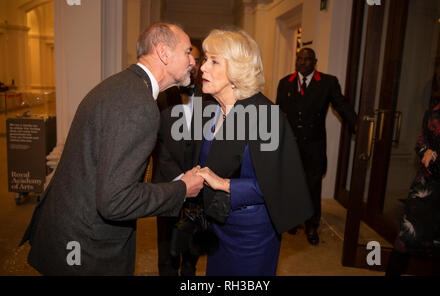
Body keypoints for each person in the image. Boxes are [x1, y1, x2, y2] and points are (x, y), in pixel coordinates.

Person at [19, 22, 204, 275]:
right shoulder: (139, 106)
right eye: (187, 52)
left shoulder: (121, 85)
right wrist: (182, 188)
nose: (192, 61)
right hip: (87, 248)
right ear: (163, 52)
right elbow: (116, 201)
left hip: (68, 231)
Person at [193, 28, 313, 276]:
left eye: (214, 61)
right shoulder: (209, 109)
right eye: (205, 59)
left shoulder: (265, 116)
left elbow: (280, 185)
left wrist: (224, 184)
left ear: (237, 70)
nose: (203, 67)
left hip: (250, 233)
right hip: (217, 222)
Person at [276, 48, 357, 245]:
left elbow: (341, 105)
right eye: (299, 58)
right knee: (291, 183)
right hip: (291, 144)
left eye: (307, 59)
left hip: (314, 144)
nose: (302, 62)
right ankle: (293, 219)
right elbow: (277, 113)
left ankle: (312, 224)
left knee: (312, 185)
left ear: (315, 62)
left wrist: (357, 124)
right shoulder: (285, 82)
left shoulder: (328, 82)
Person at [386, 57, 440, 276]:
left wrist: (439, 156)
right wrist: (427, 153)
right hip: (426, 188)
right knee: (405, 240)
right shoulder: (435, 108)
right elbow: (421, 141)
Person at [152, 45, 203, 276]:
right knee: (167, 244)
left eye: (196, 60)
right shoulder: (161, 93)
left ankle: (189, 273)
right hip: (167, 179)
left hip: (200, 178)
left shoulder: (211, 93)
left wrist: (196, 175)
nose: (192, 63)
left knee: (193, 241)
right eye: (187, 57)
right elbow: (156, 142)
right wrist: (180, 178)